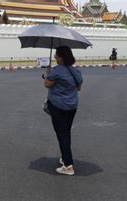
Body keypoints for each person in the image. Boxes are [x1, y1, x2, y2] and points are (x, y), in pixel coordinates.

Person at [44, 46, 83, 176]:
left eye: (56, 55)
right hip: (72, 106)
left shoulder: (57, 70)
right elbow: (79, 87)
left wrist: (47, 74)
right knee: (66, 132)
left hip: (58, 106)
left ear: (61, 57)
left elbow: (47, 84)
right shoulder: (75, 71)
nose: (55, 57)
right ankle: (65, 157)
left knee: (62, 134)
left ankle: (68, 166)